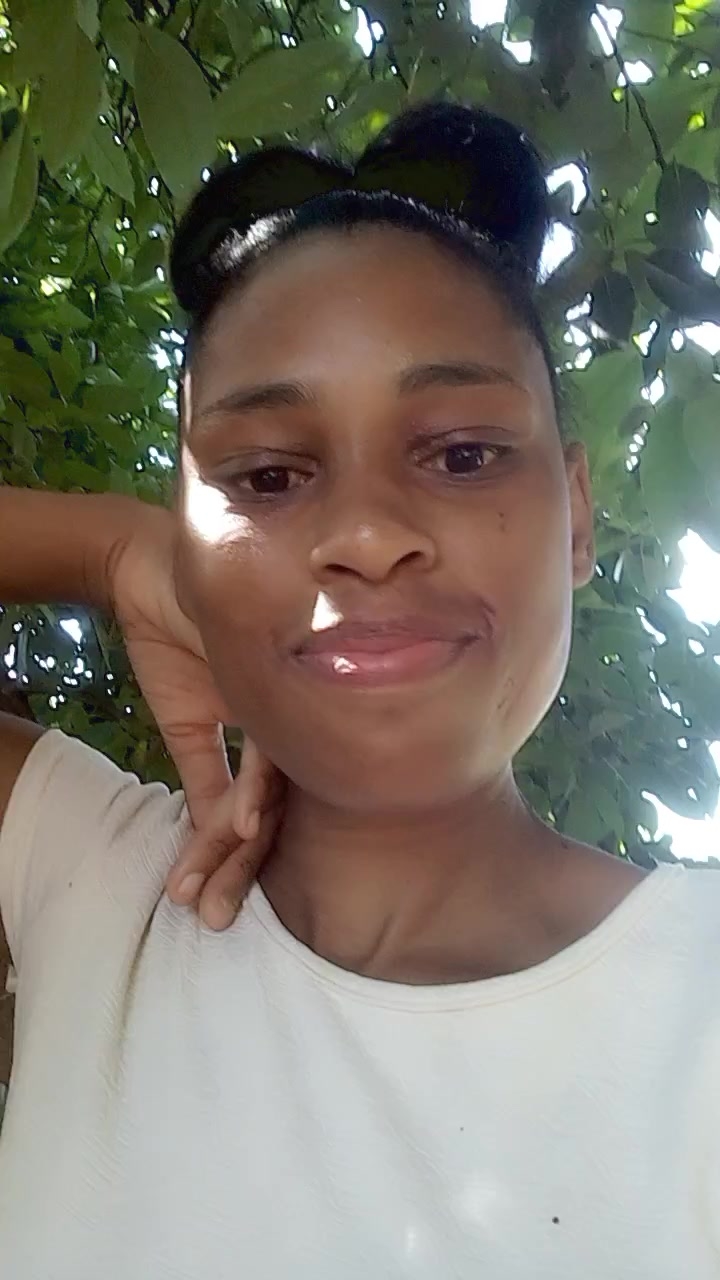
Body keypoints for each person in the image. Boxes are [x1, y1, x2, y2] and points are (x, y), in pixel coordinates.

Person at [0, 99, 718, 1278]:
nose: (370, 534)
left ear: (578, 514)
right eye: (268, 476)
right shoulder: (92, 882)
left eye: (463, 454)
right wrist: (110, 548)